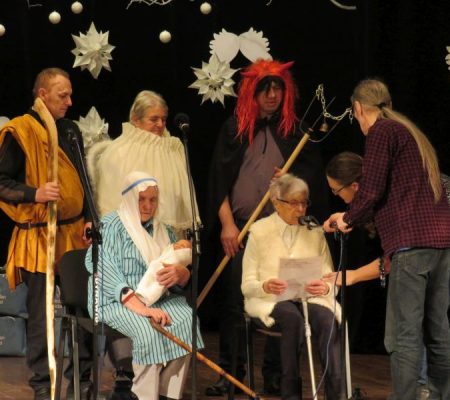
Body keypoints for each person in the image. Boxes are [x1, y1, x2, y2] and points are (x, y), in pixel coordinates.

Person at [206, 59, 330, 395]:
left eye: (278, 88)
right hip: (242, 230)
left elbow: (311, 185)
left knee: (283, 298)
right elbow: (218, 181)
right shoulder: (234, 128)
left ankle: (276, 374)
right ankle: (230, 374)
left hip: (281, 229)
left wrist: (289, 181)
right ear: (253, 92)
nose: (273, 95)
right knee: (234, 301)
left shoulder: (294, 132)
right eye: (266, 89)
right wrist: (227, 225)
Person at [324, 79, 450, 400]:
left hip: (412, 245)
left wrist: (347, 219)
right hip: (441, 245)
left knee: (403, 336)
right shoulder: (408, 132)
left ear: (358, 110)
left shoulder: (382, 131)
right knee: (438, 333)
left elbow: (372, 187)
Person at [0, 68, 91, 400]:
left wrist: (89, 217)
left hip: (74, 236)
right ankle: (42, 387)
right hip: (40, 237)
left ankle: (80, 382)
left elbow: (83, 177)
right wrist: (34, 193)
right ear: (42, 95)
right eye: (62, 95)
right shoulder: (20, 131)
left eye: (69, 94)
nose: (70, 101)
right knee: (42, 315)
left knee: (82, 311)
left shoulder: (69, 130)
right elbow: (1, 183)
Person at [85, 171, 203, 400]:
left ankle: (166, 394)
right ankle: (144, 395)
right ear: (130, 199)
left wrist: (182, 274)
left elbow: (172, 274)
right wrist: (142, 309)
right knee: (148, 331)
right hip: (113, 300)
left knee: (187, 321)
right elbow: (106, 272)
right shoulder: (109, 227)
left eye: (153, 200)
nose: (148, 206)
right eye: (142, 199)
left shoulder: (164, 231)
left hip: (156, 300)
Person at [242, 173, 342, 400]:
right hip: (271, 300)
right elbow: (247, 285)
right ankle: (290, 393)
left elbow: (330, 277)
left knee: (327, 319)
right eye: (294, 203)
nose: (300, 210)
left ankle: (336, 392)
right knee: (292, 318)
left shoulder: (314, 231)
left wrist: (325, 289)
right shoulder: (259, 231)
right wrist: (266, 286)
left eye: (304, 202)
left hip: (309, 297)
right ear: (277, 202)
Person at [87, 90, 199, 237]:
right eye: (154, 119)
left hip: (167, 237)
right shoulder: (120, 150)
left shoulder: (172, 149)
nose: (160, 124)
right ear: (136, 119)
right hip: (129, 237)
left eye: (163, 119)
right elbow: (111, 201)